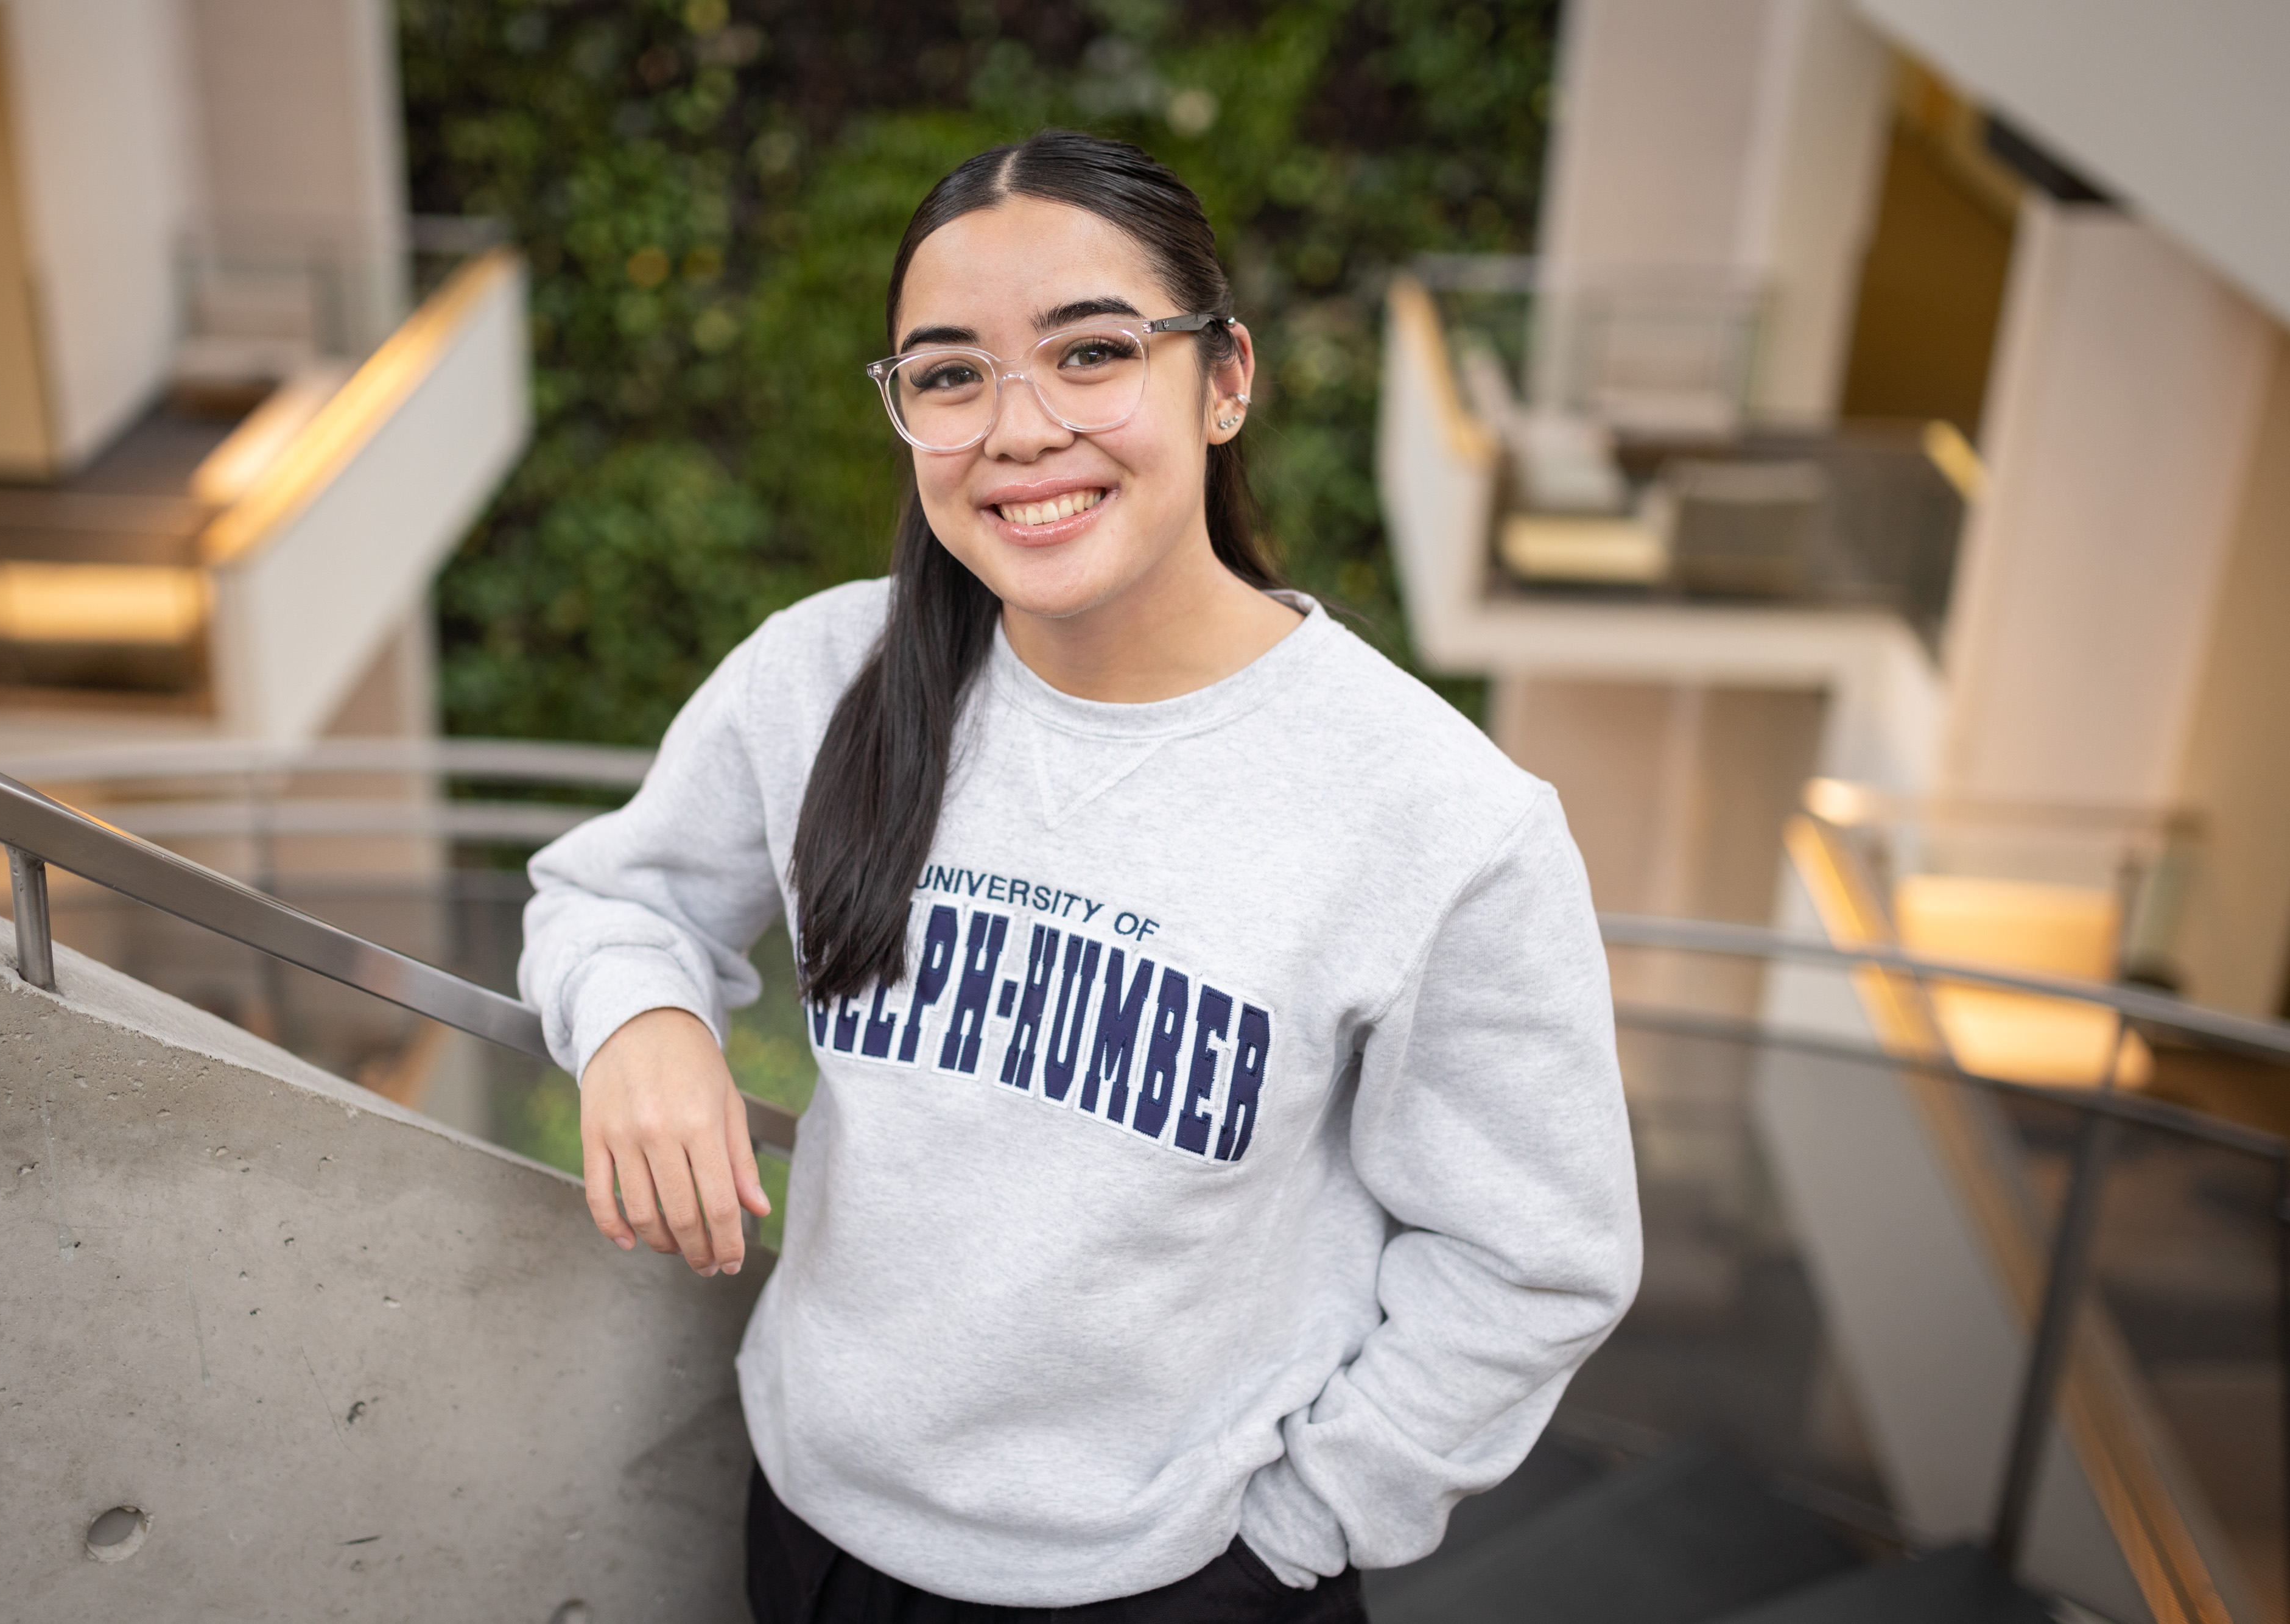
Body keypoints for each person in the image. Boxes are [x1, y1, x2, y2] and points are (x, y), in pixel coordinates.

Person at [519, 128, 1640, 1624]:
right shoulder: (818, 675)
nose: (1020, 427)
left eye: (1091, 351)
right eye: (949, 373)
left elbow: (1534, 1254)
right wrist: (639, 1019)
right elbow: (610, 898)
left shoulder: (1439, 815)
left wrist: (1296, 1532)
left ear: (1222, 377)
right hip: (811, 1521)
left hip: (1176, 1580)